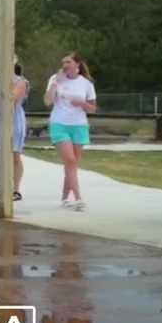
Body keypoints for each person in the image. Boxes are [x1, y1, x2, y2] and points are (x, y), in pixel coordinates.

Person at [44, 52, 96, 211]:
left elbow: (93, 109)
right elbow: (47, 101)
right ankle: (78, 197)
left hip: (79, 125)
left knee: (72, 164)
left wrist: (82, 103)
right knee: (70, 161)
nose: (65, 65)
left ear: (77, 65)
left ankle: (65, 198)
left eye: (68, 62)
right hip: (59, 123)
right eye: (63, 62)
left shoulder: (86, 84)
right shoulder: (55, 79)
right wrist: (54, 84)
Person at [0, 62, 30, 201]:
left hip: (13, 118)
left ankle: (15, 189)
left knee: (14, 153)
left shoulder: (20, 82)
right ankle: (2, 186)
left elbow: (12, 100)